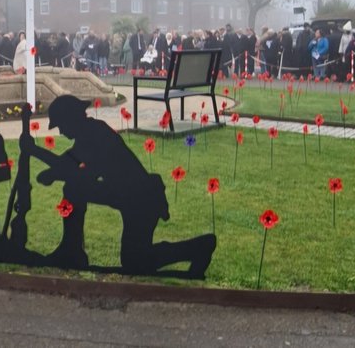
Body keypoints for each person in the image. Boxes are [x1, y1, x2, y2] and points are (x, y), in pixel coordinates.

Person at [19, 95, 216, 276]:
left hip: (139, 199)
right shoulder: (89, 132)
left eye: (61, 125)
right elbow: (73, 166)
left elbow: (71, 166)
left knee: (135, 262)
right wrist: (49, 167)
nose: (61, 131)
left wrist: (36, 153)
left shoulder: (93, 133)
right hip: (124, 195)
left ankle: (198, 247)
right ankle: (71, 249)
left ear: (71, 119)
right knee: (73, 188)